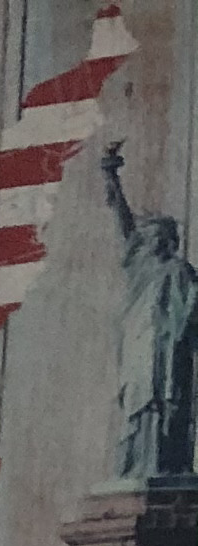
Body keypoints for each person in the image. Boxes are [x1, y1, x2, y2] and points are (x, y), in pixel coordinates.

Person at [102, 143, 198, 482]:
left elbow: (192, 315)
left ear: (168, 239)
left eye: (158, 235)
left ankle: (164, 465)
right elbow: (124, 225)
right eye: (149, 235)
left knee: (167, 407)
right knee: (140, 409)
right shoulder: (140, 268)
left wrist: (179, 331)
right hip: (140, 351)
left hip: (169, 356)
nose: (151, 239)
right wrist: (111, 177)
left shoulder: (180, 271)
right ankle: (138, 466)